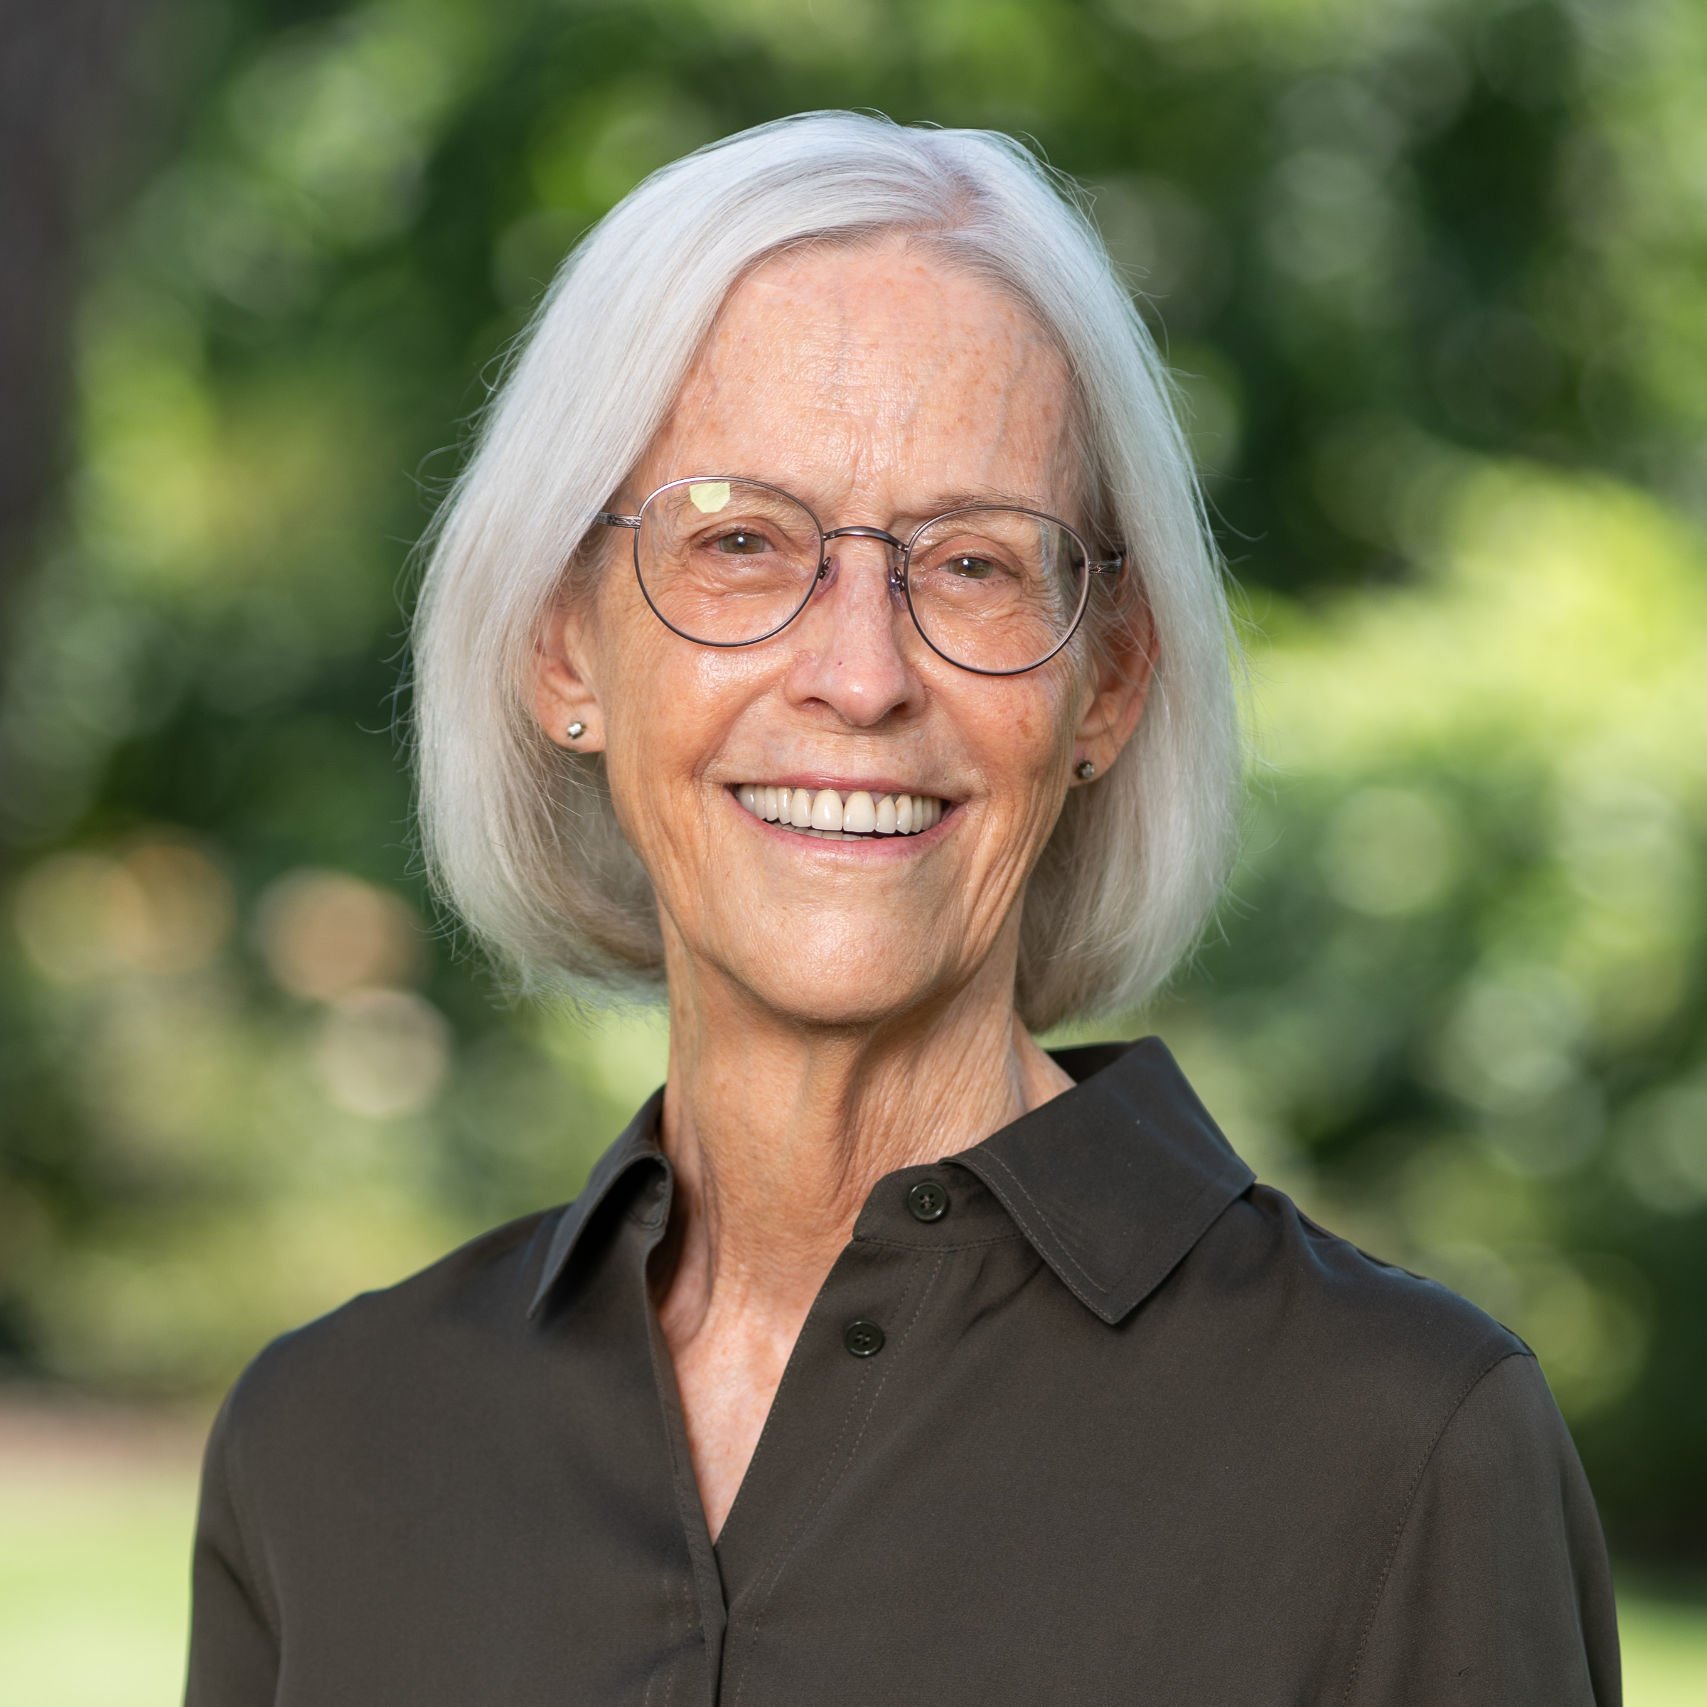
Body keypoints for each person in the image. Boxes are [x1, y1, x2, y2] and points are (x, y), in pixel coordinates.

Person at [183, 111, 1621, 1704]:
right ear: (562, 645)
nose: (861, 676)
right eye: (740, 542)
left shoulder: (1404, 1449)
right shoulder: (327, 1450)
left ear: (1109, 681)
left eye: (975, 565)